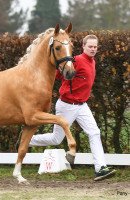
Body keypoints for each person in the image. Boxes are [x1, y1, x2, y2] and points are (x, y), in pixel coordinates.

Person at [29, 34, 116, 181]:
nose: (93, 49)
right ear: (83, 47)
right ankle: (27, 140)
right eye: (90, 46)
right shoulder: (75, 60)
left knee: (94, 132)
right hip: (67, 105)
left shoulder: (92, 61)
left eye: (95, 47)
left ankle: (100, 168)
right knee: (56, 139)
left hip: (82, 105)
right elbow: (55, 74)